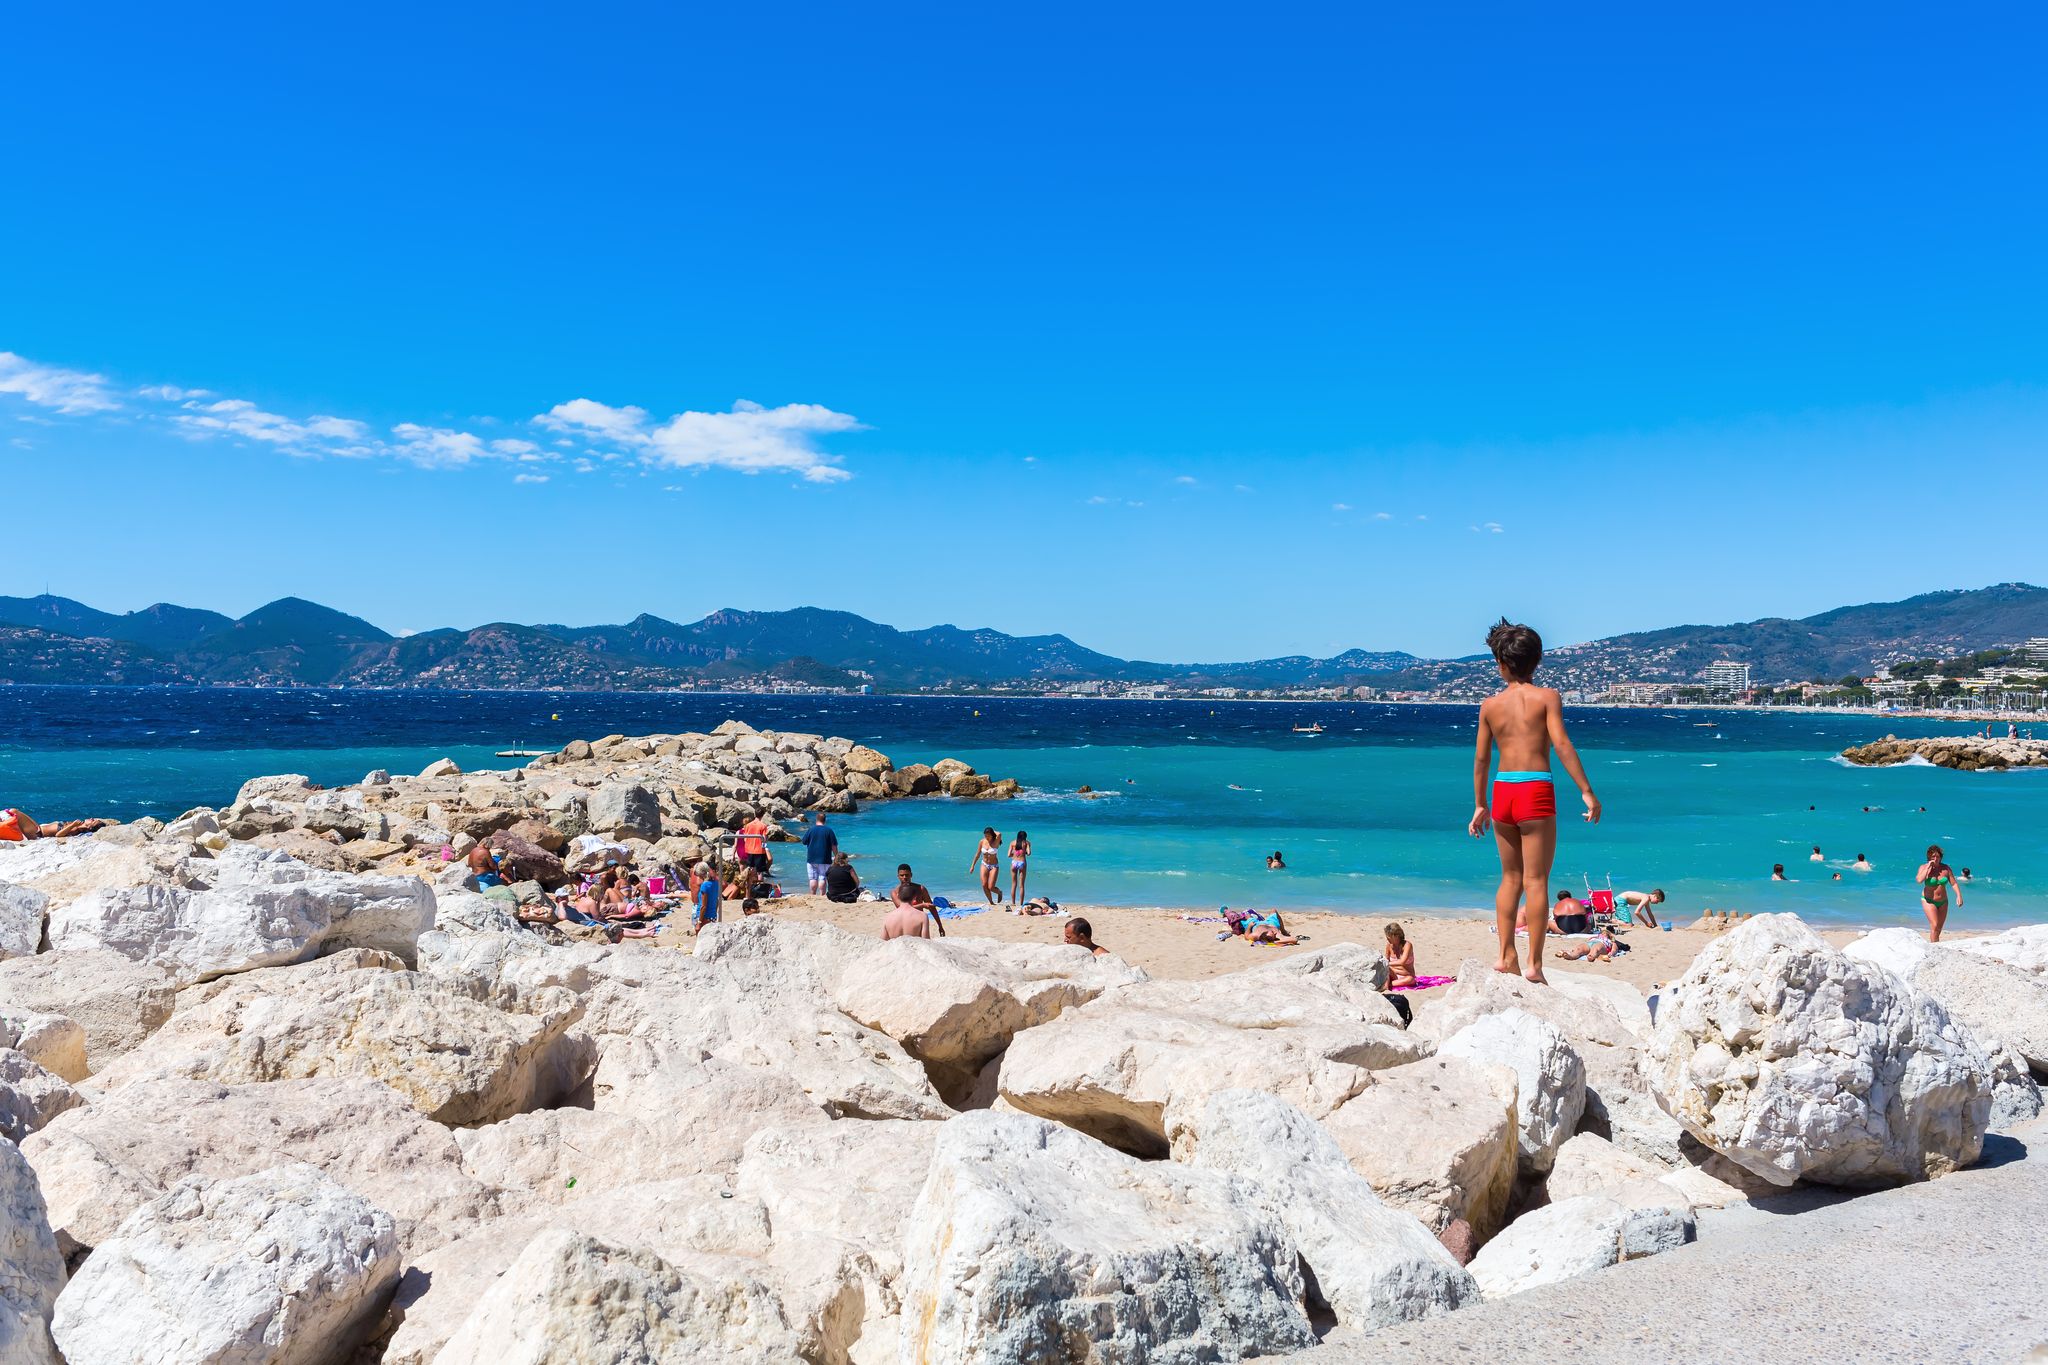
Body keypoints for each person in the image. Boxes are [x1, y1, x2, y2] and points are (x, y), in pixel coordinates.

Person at [1469, 619, 1600, 985]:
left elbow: (1481, 760)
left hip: (1502, 791)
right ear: (1537, 661)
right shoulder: (1547, 698)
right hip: (1535, 790)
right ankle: (1534, 965)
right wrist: (1586, 791)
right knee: (1537, 880)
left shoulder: (1490, 705)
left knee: (1509, 878)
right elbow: (1561, 745)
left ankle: (1504, 955)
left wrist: (1480, 804)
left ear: (1501, 664)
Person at [883, 867, 946, 940]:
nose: (904, 877)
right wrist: (922, 905)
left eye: (907, 875)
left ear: (911, 875)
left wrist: (940, 926)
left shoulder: (920, 889)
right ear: (898, 876)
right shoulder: (895, 892)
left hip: (918, 923)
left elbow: (932, 908)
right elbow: (902, 907)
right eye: (902, 875)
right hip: (903, 923)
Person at [1917, 843, 1961, 943]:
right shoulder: (1923, 867)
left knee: (1938, 929)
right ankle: (1934, 948)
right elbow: (1919, 880)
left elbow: (1953, 883)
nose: (1936, 859)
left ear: (1941, 857)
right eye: (1933, 856)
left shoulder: (1946, 868)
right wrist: (1928, 867)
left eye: (1938, 856)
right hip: (1928, 900)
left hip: (1943, 902)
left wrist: (1959, 896)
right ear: (1929, 857)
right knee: (1935, 925)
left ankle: (1934, 945)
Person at [801, 814, 838, 896]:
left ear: (816, 819)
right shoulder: (829, 830)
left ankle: (813, 894)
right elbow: (834, 846)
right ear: (825, 820)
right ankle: (822, 895)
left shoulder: (811, 830)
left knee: (812, 878)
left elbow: (804, 841)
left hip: (811, 858)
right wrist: (836, 857)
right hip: (825, 858)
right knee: (823, 877)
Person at [968, 827, 1003, 905]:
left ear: (992, 835)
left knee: (991, 887)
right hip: (984, 864)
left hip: (994, 865)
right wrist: (972, 865)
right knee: (984, 885)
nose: (987, 837)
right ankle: (991, 902)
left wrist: (991, 830)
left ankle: (999, 892)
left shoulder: (996, 841)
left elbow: (999, 833)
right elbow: (977, 854)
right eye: (985, 835)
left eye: (988, 835)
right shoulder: (982, 841)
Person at [735, 815, 773, 880]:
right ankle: (759, 880)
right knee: (758, 870)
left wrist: (733, 854)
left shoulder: (739, 831)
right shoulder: (752, 829)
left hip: (742, 852)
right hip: (752, 850)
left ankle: (743, 882)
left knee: (744, 868)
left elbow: (736, 844)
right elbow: (762, 840)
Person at [691, 860, 721, 935]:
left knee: (701, 939)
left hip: (704, 917)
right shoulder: (716, 883)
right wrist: (714, 912)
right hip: (712, 916)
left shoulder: (705, 885)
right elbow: (717, 901)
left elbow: (703, 906)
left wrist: (699, 922)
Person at [1384, 922, 1417, 988]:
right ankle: (1388, 984)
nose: (1387, 939)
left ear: (1396, 936)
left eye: (1389, 937)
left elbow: (1402, 962)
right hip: (1393, 974)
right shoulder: (1389, 946)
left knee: (1410, 980)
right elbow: (1385, 960)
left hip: (1406, 976)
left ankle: (1388, 984)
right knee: (1385, 969)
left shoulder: (1407, 945)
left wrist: (1386, 963)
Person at [1008, 830, 1032, 905]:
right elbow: (1029, 853)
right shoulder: (1026, 843)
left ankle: (1013, 903)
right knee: (1021, 885)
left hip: (1014, 862)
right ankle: (1021, 903)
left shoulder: (1012, 842)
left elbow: (1008, 855)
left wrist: (1014, 855)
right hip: (1022, 863)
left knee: (1013, 884)